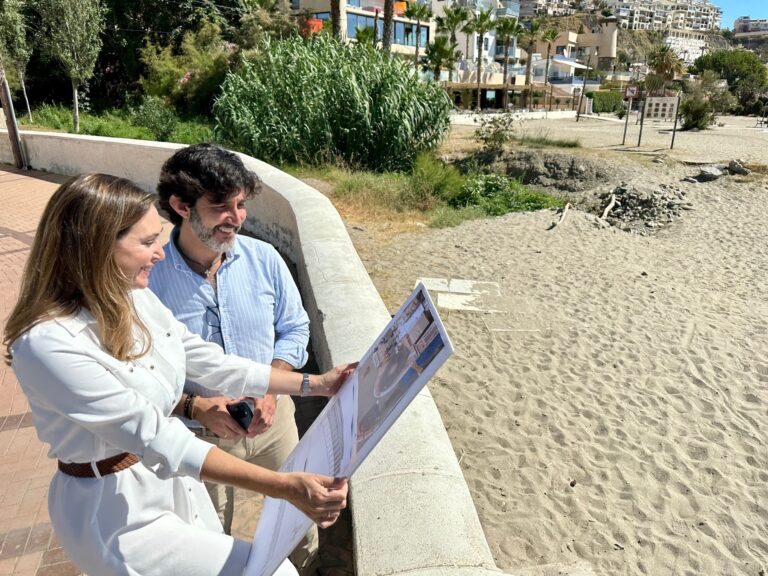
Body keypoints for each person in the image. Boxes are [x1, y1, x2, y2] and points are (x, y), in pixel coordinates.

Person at [3, 173, 355, 576]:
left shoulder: (132, 298)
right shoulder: (46, 343)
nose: (160, 253)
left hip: (166, 482)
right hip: (115, 510)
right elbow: (153, 432)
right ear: (96, 245)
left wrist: (317, 384)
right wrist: (284, 486)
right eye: (148, 242)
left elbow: (208, 360)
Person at [148, 144, 319, 572]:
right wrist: (195, 406)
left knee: (300, 522)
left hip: (274, 424)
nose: (237, 218)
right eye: (221, 206)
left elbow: (295, 329)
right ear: (180, 206)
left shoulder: (264, 259)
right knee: (207, 543)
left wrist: (272, 389)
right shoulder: (147, 278)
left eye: (241, 204)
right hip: (194, 438)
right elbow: (137, 370)